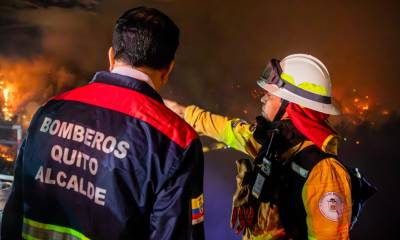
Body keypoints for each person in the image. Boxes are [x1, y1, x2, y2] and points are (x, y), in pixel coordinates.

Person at [2, 7, 205, 240]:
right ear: (169, 68)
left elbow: (14, 213)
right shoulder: (176, 141)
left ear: (111, 56)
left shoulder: (50, 110)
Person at [165, 54, 352, 239]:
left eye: (269, 95)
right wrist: (184, 113)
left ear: (291, 106)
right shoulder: (274, 144)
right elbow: (230, 130)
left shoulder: (324, 171)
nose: (263, 99)